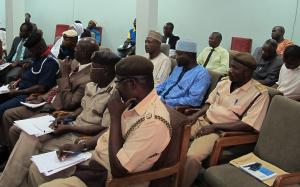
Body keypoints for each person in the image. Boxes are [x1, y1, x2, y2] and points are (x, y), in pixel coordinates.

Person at [40, 55, 171, 187]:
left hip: (107, 178)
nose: (116, 87)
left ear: (132, 84)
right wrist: (82, 146)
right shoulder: (135, 101)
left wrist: (115, 117)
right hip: (93, 160)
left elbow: (119, 169)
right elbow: (110, 134)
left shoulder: (154, 122)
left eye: (118, 82)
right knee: (37, 170)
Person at [0, 49, 121, 187]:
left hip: (81, 136)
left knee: (31, 149)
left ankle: (7, 183)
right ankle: (9, 182)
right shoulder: (92, 85)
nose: (89, 70)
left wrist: (69, 127)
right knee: (29, 136)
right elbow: (83, 108)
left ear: (105, 71)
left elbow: (104, 128)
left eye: (93, 67)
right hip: (71, 126)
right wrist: (69, 116)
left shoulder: (115, 93)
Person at [182, 51, 270, 187]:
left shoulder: (259, 94)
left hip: (219, 131)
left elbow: (248, 125)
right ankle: (169, 175)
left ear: (247, 73)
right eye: (230, 66)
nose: (229, 70)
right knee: (172, 135)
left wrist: (215, 127)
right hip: (203, 121)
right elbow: (209, 103)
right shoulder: (224, 82)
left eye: (235, 68)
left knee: (193, 157)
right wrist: (195, 115)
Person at [2, 37, 99, 151]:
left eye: (77, 48)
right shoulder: (74, 63)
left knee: (14, 129)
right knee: (8, 115)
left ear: (85, 53)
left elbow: (69, 104)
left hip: (55, 110)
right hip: (44, 102)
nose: (74, 49)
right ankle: (7, 150)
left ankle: (19, 158)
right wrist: (41, 96)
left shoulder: (89, 77)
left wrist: (65, 75)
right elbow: (56, 87)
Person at [157, 40, 211, 108]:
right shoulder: (178, 68)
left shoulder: (202, 74)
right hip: (159, 101)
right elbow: (166, 83)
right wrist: (153, 93)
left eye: (179, 54)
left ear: (189, 55)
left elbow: (194, 100)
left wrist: (167, 102)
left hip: (172, 108)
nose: (175, 57)